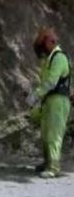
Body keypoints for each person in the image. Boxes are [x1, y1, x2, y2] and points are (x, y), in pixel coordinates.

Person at [27, 27, 71, 178]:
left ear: (48, 42)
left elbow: (51, 82)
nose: (41, 52)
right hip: (49, 101)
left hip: (58, 102)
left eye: (41, 48)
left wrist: (36, 95)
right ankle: (47, 163)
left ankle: (54, 167)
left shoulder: (59, 58)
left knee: (54, 134)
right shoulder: (50, 59)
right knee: (46, 134)